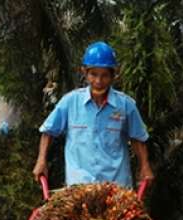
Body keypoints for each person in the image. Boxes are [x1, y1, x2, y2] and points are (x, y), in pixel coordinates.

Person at [32, 41, 154, 188]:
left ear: (113, 75)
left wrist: (145, 167)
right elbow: (48, 131)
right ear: (84, 72)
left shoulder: (126, 105)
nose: (98, 81)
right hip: (79, 189)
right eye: (93, 74)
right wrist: (41, 161)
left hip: (116, 189)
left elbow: (138, 137)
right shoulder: (70, 102)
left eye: (104, 76)